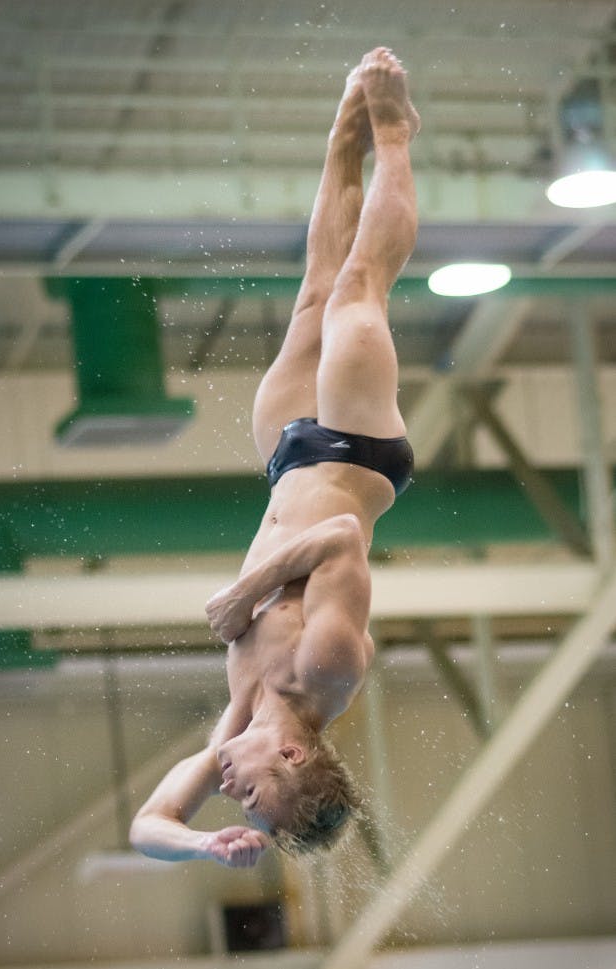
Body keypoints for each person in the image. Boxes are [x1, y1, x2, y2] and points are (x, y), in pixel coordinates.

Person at [130, 48, 420, 868]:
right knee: (360, 286)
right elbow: (339, 538)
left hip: (288, 460)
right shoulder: (326, 673)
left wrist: (201, 843)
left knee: (316, 287)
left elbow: (147, 824)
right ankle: (394, 133)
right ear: (293, 755)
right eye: (251, 796)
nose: (230, 790)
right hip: (358, 453)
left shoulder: (241, 718)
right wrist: (244, 594)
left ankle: (344, 128)